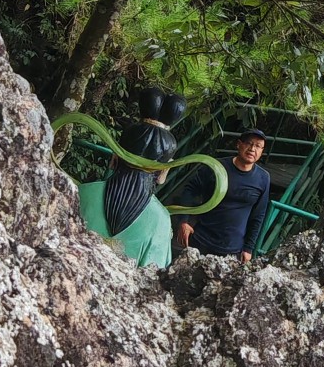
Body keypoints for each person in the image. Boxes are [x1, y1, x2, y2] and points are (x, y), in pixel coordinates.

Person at [76, 89, 186, 268]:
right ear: (163, 172)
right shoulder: (161, 221)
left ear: (114, 157)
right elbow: (152, 278)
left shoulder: (81, 193)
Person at [174, 128, 270, 263]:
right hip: (201, 240)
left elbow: (258, 216)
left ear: (262, 151)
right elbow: (190, 189)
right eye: (249, 143)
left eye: (258, 146)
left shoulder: (263, 178)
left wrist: (248, 248)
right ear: (239, 144)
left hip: (233, 249)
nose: (252, 149)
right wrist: (184, 221)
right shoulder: (216, 167)